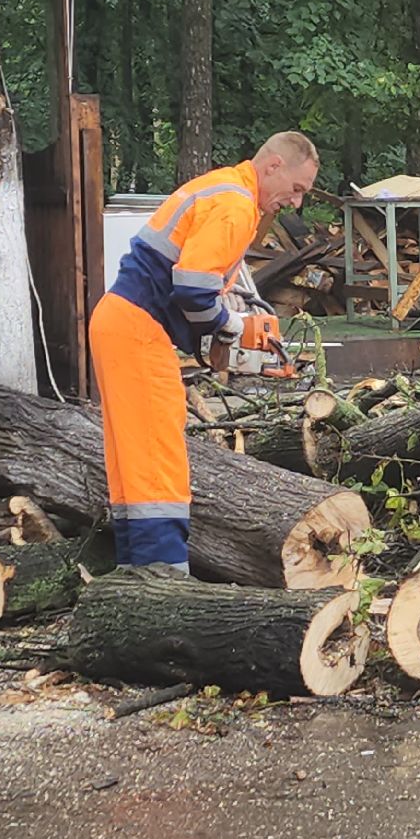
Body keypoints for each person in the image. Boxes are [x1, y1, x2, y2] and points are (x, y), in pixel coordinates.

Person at [91, 132, 322, 574]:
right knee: (158, 462)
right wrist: (229, 326)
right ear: (273, 166)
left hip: (124, 323)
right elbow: (194, 286)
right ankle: (162, 579)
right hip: (138, 330)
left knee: (133, 461)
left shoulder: (221, 189)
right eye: (296, 190)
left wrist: (213, 331)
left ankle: (134, 573)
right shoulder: (235, 205)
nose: (294, 203)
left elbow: (188, 286)